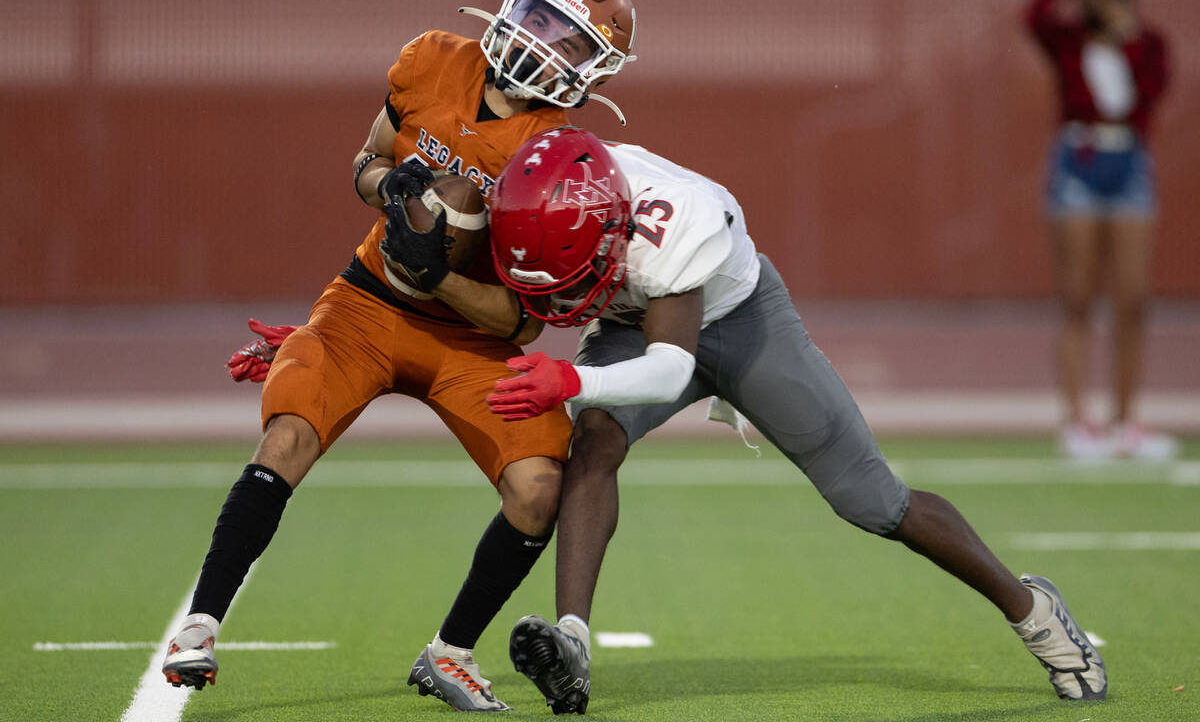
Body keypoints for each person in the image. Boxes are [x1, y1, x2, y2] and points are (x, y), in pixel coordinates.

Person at [381, 127, 1109, 713]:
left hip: (739, 322)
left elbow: (670, 365)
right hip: (638, 319)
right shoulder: (528, 198)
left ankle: (1034, 611)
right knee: (594, 441)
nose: (559, 298)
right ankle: (572, 640)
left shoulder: (675, 228)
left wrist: (574, 375)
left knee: (874, 502)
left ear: (610, 234)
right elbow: (439, 206)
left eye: (573, 277)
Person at [161, 0, 637, 713]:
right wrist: (389, 190)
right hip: (366, 303)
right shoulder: (433, 60)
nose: (545, 43)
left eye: (569, 41)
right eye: (541, 19)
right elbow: (366, 159)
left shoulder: (556, 155)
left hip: (468, 339)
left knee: (540, 487)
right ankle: (199, 625)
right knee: (286, 436)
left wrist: (439, 278)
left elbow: (523, 321)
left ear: (593, 71)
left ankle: (450, 654)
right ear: (512, 7)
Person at [1026, 0, 1175, 461]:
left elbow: (1151, 92)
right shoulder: (1067, 38)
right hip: (1078, 160)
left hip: (1129, 162)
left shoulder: (1146, 40)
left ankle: (1126, 421)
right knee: (1078, 297)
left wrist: (1124, 31)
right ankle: (1076, 422)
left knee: (1133, 299)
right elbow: (1035, 14)